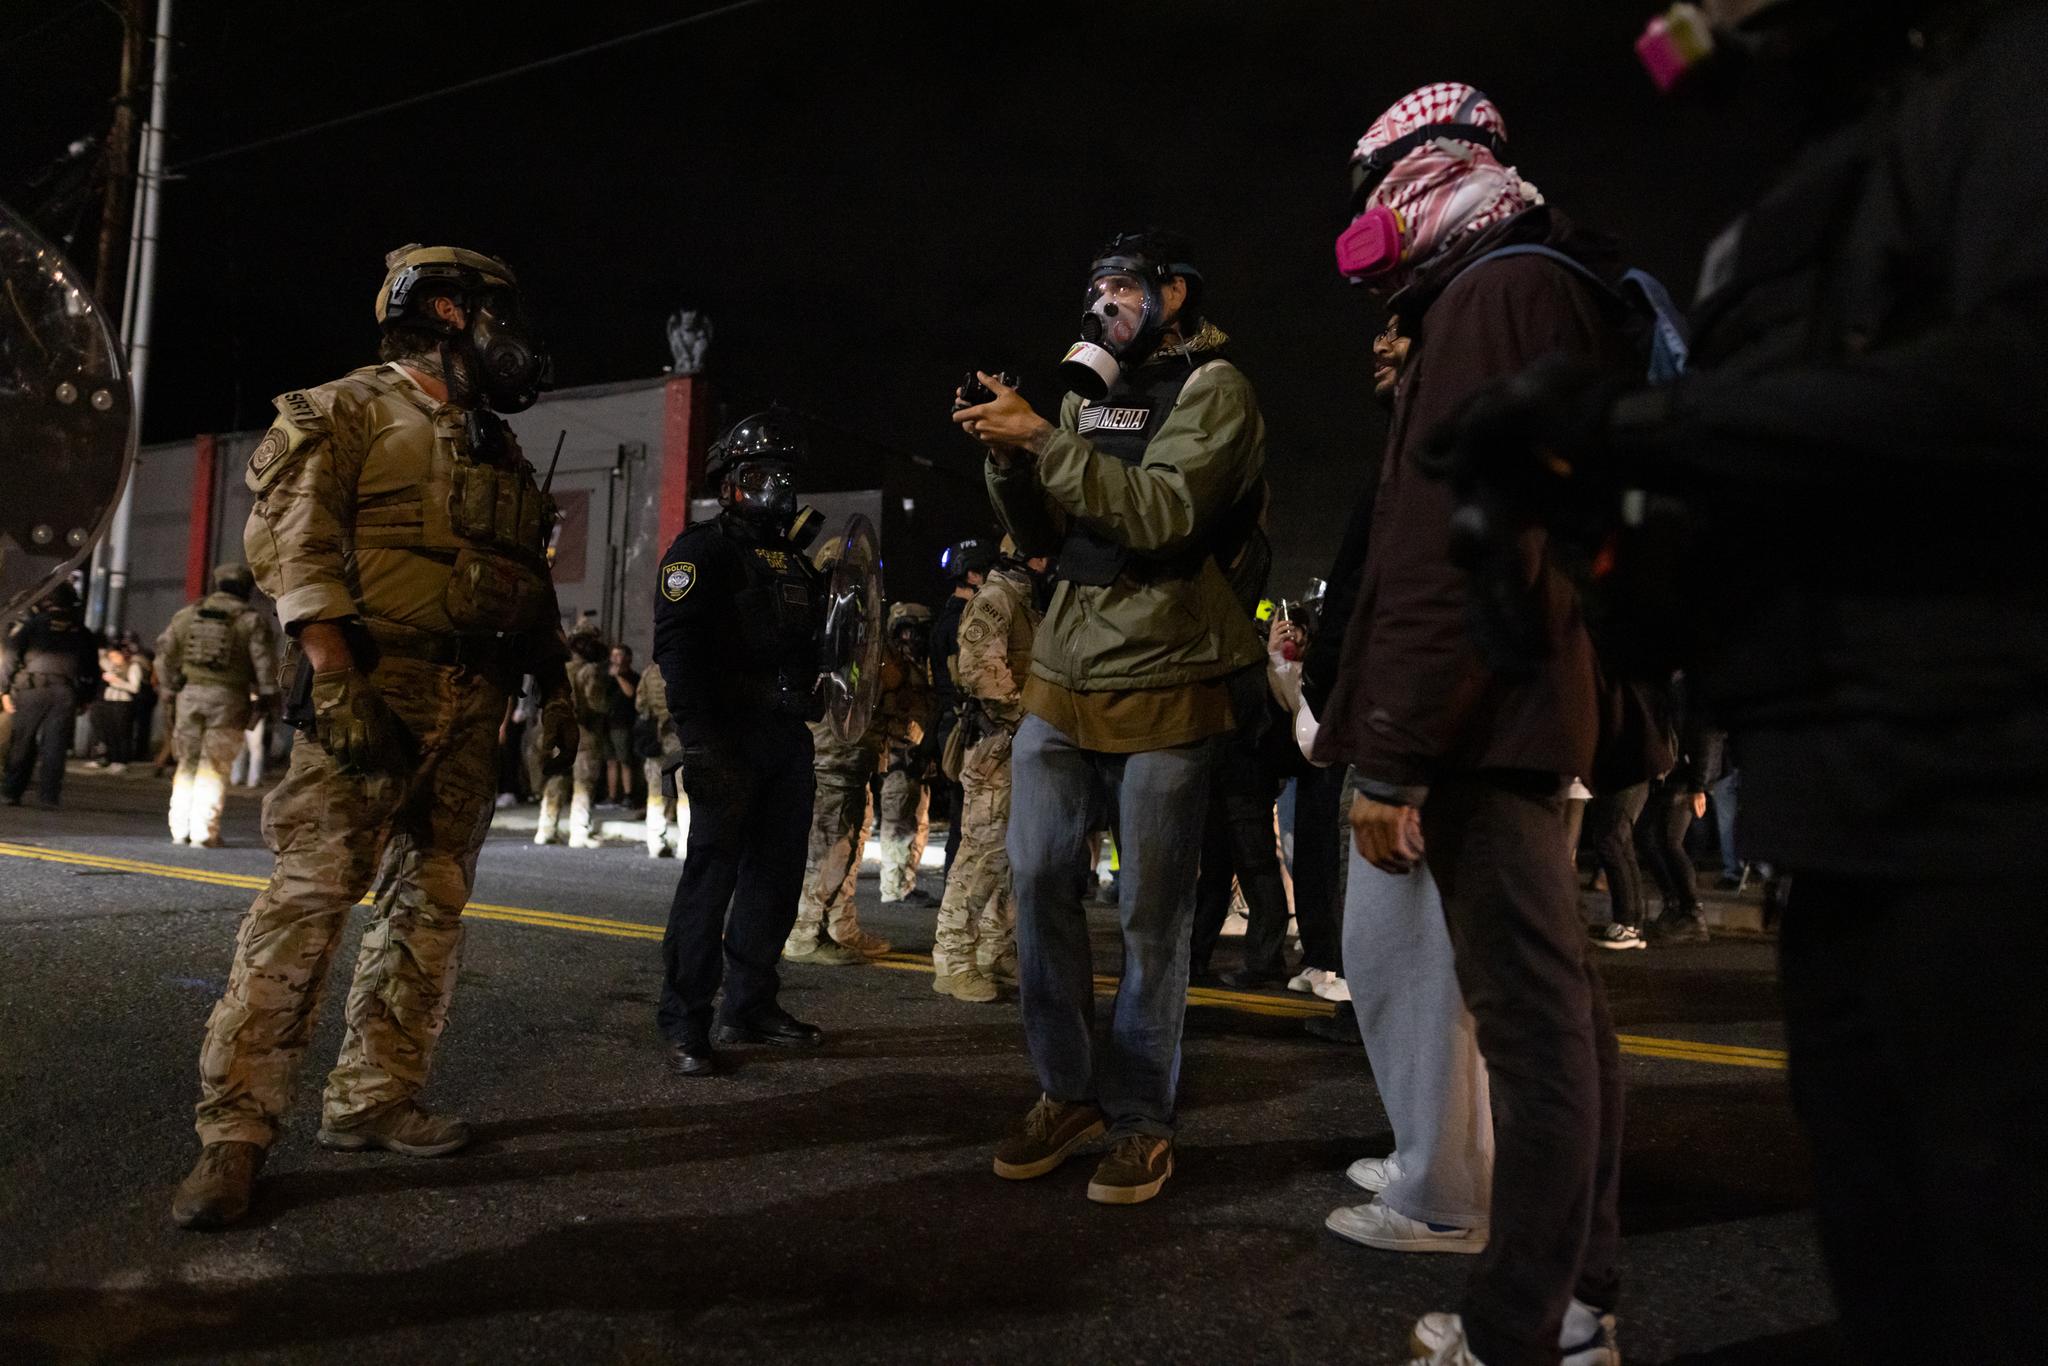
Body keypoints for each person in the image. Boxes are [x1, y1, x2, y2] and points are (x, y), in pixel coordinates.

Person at [1432, 9, 2048, 1358]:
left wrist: (1648, 428)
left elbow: (2014, 383)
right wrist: (1584, 520)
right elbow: (1754, 518)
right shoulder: (1771, 216)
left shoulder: (2008, 92)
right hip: (1832, 824)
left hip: (1992, 806)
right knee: (1895, 1267)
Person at [1314, 85, 1630, 1365]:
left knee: (1535, 1032)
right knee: (1561, 1020)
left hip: (1482, 725)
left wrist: (1390, 753)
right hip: (1505, 709)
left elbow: (1449, 553)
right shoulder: (1514, 286)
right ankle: (1574, 1301)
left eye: (1370, 190)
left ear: (1423, 171)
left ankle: (1531, 1327)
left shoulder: (1495, 294)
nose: (1363, 225)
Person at [170, 243, 576, 1230]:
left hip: (470, 701)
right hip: (373, 684)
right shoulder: (344, 407)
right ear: (443, 308)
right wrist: (334, 672)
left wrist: (553, 682)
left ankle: (373, 1097)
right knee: (305, 910)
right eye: (490, 314)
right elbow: (293, 542)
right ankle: (235, 1133)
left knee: (427, 914)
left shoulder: (494, 443)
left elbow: (518, 564)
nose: (506, 338)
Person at [955, 227, 1268, 1205]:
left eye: (1122, 286)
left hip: (1169, 672)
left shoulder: (1215, 389)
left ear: (1174, 293)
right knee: (1037, 874)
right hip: (1064, 670)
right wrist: (1004, 454)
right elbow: (1044, 531)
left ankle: (1138, 1116)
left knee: (1150, 913)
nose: (1102, 302)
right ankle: (1065, 1089)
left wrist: (1044, 439)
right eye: (1093, 285)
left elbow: (1163, 512)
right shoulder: (1083, 396)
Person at [651, 410, 828, 1077]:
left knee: (775, 880)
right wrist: (699, 740)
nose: (774, 491)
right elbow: (678, 649)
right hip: (726, 739)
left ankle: (749, 1005)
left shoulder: (800, 565)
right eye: (758, 476)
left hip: (787, 739)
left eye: (783, 478)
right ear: (728, 484)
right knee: (711, 881)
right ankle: (685, 1020)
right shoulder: (700, 551)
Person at [931, 537, 1046, 1003]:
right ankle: (953, 959)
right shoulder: (997, 599)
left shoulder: (1027, 602)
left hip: (1020, 748)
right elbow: (981, 671)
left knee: (1009, 860)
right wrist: (1028, 719)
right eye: (1043, 553)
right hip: (997, 747)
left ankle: (994, 952)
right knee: (979, 857)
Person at [155, 563, 280, 847]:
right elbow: (264, 666)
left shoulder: (187, 615)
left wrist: (169, 687)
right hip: (229, 699)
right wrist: (269, 698)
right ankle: (203, 831)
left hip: (188, 696)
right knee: (215, 765)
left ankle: (179, 829)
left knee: (186, 761)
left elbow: (164, 655)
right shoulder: (250, 621)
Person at [928, 537, 995, 873]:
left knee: (962, 813)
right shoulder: (964, 622)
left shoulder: (945, 618)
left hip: (951, 724)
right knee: (974, 818)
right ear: (972, 576)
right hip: (965, 725)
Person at [1, 580, 98, 807]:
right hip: (65, 693)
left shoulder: (33, 625)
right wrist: (85, 698)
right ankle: (49, 797)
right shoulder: (81, 631)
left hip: (31, 691)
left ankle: (11, 793)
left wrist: (4, 690)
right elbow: (92, 669)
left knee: (22, 744)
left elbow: (11, 658)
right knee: (55, 747)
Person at [874, 601, 935, 905]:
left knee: (916, 819)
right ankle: (894, 887)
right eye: (906, 631)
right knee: (898, 820)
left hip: (914, 752)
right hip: (900, 752)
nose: (911, 638)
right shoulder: (893, 666)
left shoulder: (915, 664)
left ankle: (903, 883)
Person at [535, 626, 609, 848]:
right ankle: (579, 832)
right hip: (583, 734)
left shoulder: (557, 670)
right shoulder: (589, 671)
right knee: (583, 783)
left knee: (557, 779)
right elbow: (596, 704)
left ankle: (546, 829)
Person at [634, 659, 682, 858]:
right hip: (678, 737)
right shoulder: (685, 667)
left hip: (656, 737)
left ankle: (655, 842)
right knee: (683, 790)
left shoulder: (649, 673)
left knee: (656, 791)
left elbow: (640, 704)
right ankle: (686, 845)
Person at [91, 640, 144, 770]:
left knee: (122, 732)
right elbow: (102, 660)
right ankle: (110, 758)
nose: (113, 659)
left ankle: (122, 760)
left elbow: (135, 687)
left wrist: (116, 681)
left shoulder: (133, 667)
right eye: (111, 657)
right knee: (110, 731)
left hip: (123, 702)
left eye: (116, 656)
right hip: (110, 700)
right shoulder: (113, 666)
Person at [604, 644, 640, 807]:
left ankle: (628, 795)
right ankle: (612, 797)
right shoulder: (607, 678)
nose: (615, 659)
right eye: (613, 655)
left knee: (624, 760)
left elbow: (630, 693)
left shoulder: (633, 677)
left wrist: (619, 676)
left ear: (627, 658)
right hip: (607, 724)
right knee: (611, 761)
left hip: (623, 724)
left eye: (619, 655)